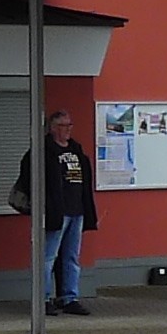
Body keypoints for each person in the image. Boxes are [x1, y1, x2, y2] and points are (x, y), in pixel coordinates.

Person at [15, 107, 100, 314]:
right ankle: (43, 299)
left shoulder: (77, 151)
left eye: (69, 125)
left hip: (76, 211)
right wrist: (44, 205)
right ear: (52, 128)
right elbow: (28, 177)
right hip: (55, 213)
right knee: (47, 257)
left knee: (71, 257)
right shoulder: (42, 152)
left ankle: (69, 297)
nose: (67, 129)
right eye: (62, 125)